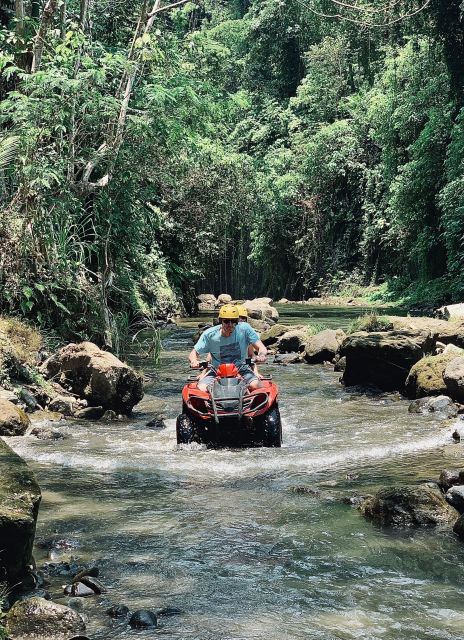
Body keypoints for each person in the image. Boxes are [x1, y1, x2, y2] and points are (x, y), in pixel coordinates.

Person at [189, 304, 267, 392]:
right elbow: (193, 353)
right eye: (226, 321)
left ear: (237, 321)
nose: (230, 324)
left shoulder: (245, 329)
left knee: (257, 386)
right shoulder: (209, 335)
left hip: (241, 368)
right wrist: (194, 361)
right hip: (217, 371)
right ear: (221, 321)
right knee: (201, 389)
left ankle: (248, 397)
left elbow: (261, 348)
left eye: (233, 321)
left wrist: (261, 355)